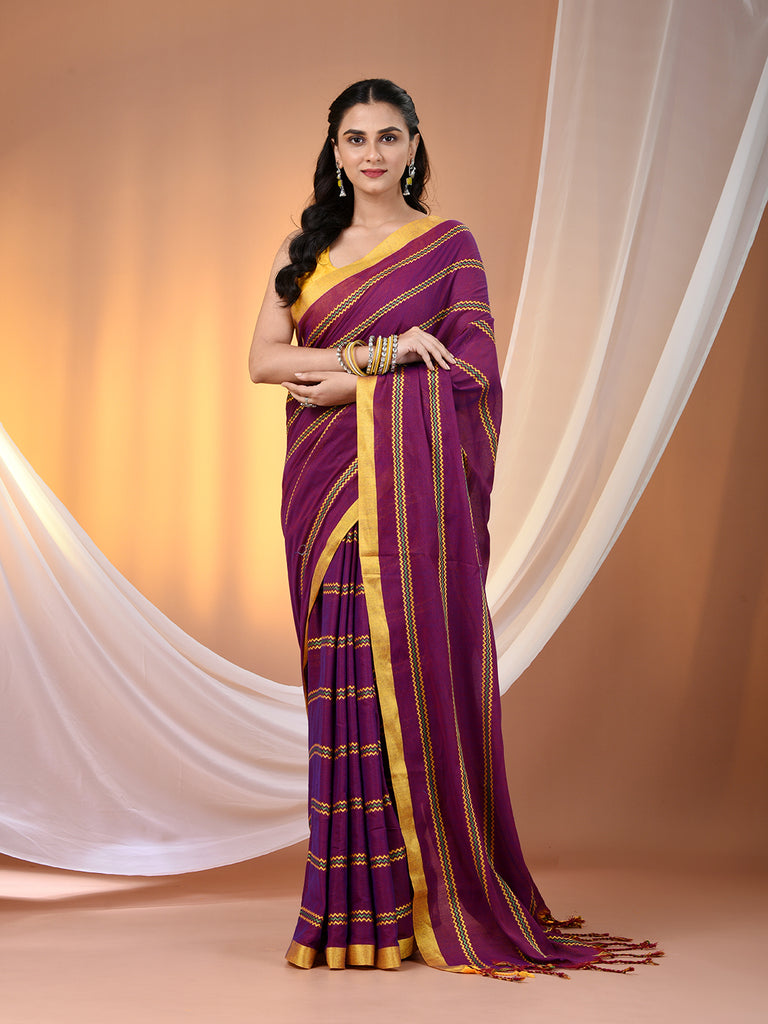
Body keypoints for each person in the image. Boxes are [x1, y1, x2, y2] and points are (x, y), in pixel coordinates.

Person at [249, 79, 660, 979]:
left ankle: (422, 901)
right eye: (356, 137)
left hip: (407, 509)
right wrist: (378, 353)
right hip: (322, 493)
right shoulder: (303, 248)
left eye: (388, 136)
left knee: (402, 672)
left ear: (413, 145)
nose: (372, 153)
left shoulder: (448, 247)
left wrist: (357, 382)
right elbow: (262, 361)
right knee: (339, 688)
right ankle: (352, 911)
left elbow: (474, 374)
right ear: (335, 150)